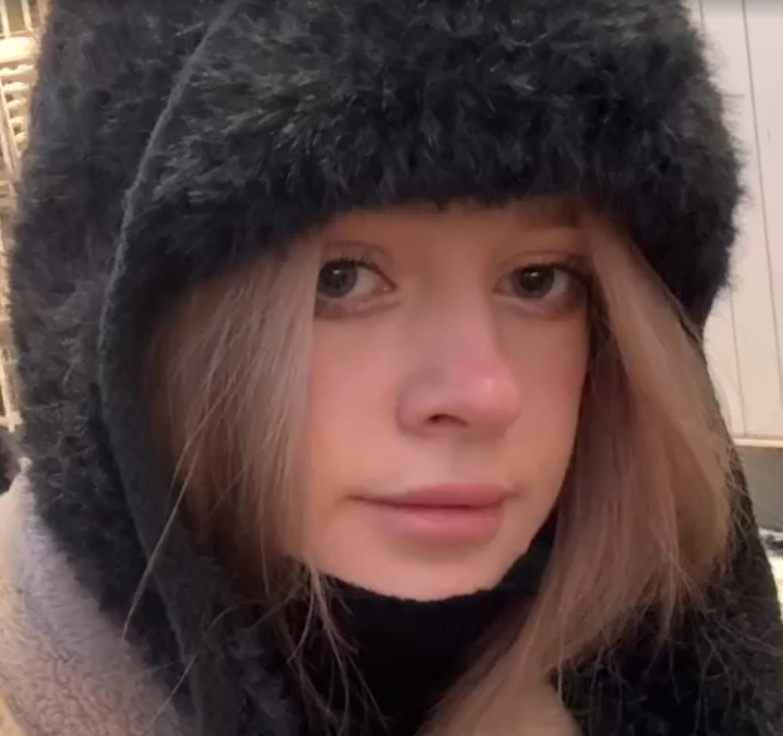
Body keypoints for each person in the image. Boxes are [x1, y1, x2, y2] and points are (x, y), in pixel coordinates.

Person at [0, 0, 781, 734]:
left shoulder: (668, 666)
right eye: (339, 279)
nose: (482, 392)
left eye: (537, 280)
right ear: (125, 338)